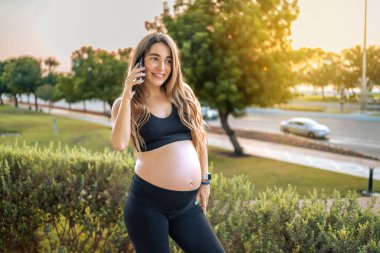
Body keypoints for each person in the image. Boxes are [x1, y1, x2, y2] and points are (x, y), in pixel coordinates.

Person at [110, 33, 226, 253]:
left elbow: (200, 140)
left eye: (168, 60)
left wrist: (205, 180)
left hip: (185, 207)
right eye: (154, 58)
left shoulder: (183, 95)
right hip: (147, 208)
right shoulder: (127, 104)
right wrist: (126, 95)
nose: (162, 67)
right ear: (141, 61)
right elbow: (119, 143)